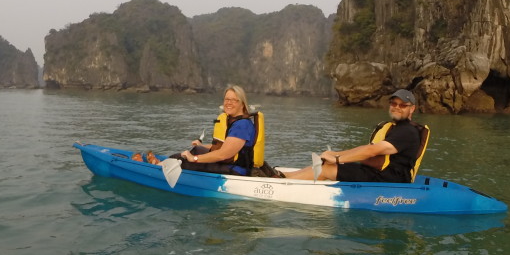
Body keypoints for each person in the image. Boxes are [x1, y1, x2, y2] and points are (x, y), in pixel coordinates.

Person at [281, 89, 427, 183]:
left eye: (403, 105)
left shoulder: (407, 132)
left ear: (412, 108)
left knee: (327, 169)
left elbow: (372, 151)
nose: (397, 107)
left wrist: (337, 158)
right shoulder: (395, 128)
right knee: (327, 163)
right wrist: (335, 154)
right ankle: (287, 176)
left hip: (390, 181)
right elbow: (367, 150)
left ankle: (282, 184)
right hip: (378, 174)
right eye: (394, 103)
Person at [132, 85, 261, 176]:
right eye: (227, 99)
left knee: (182, 161)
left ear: (242, 104)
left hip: (235, 170)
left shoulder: (242, 125)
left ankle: (154, 169)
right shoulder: (235, 121)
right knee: (184, 154)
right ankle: (159, 164)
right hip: (230, 164)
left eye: (234, 100)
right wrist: (201, 146)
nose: (229, 103)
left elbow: (224, 154)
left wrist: (194, 158)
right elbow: (223, 147)